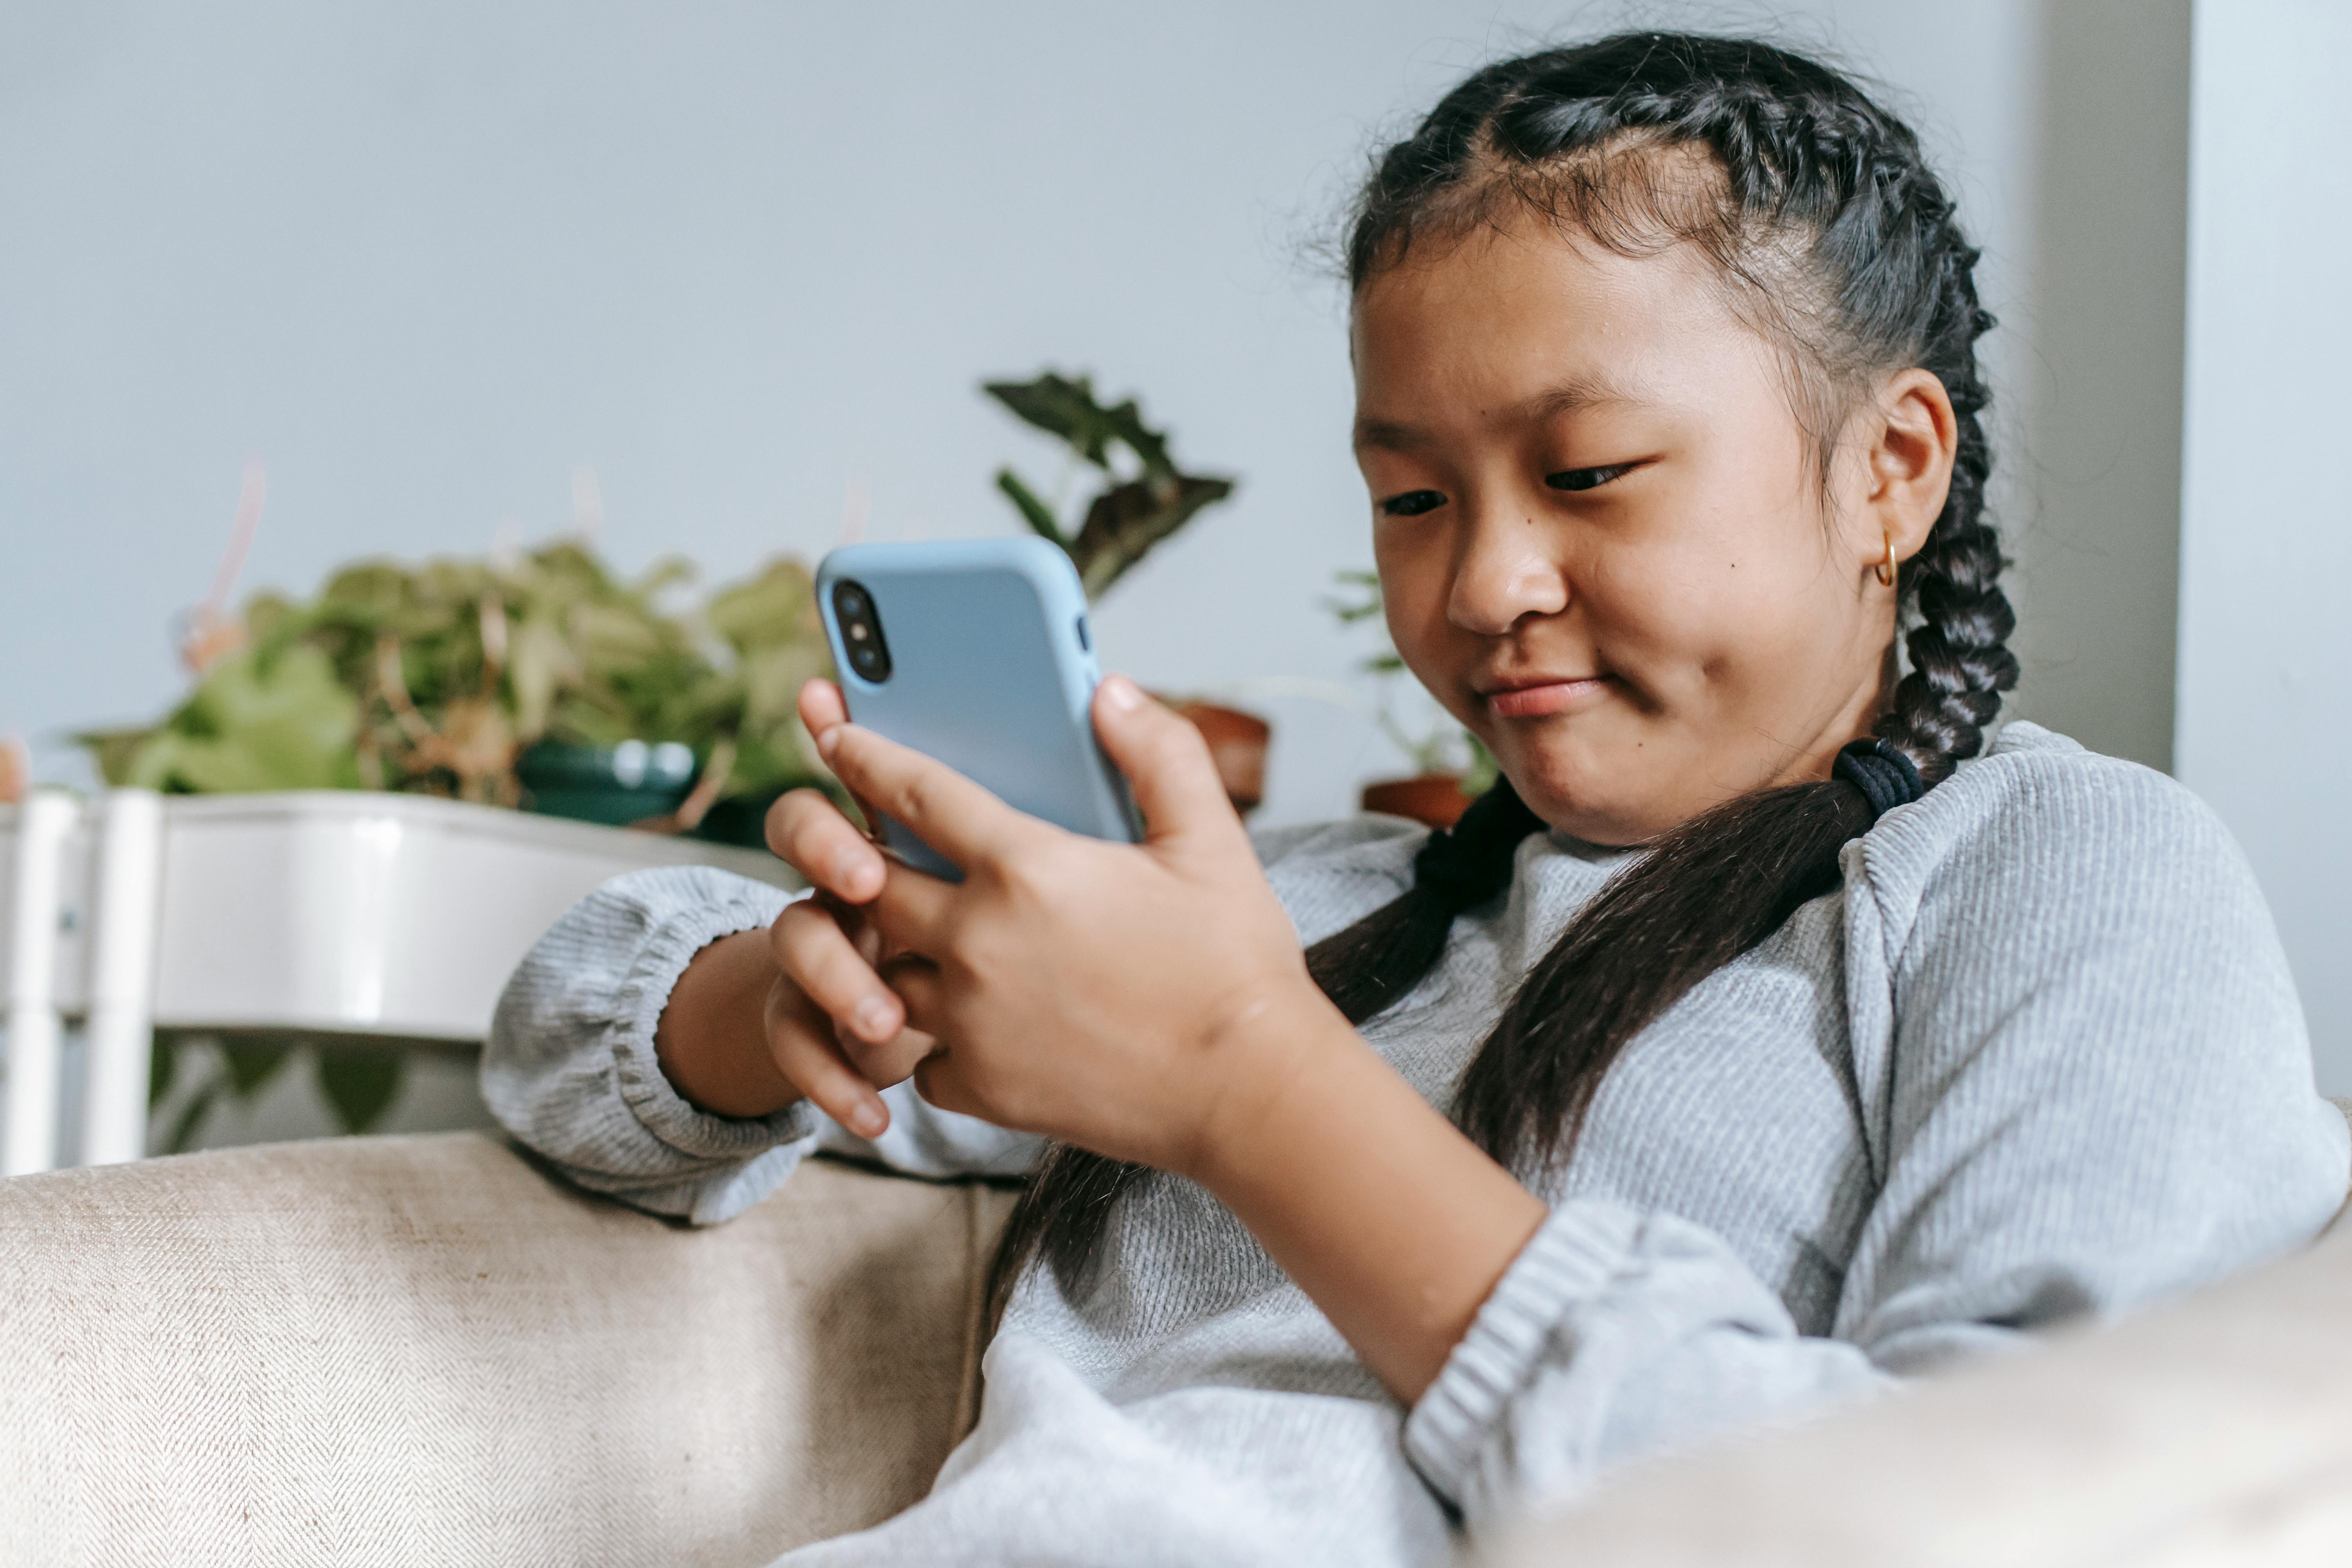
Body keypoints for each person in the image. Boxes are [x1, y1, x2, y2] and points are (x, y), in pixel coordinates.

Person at [484, 32, 2350, 1565]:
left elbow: (2031, 1510)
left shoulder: (2054, 874)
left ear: (1892, 471)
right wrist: (783, 1000)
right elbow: (568, 1030)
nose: (1481, 591)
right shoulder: (1315, 908)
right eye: (1413, 497)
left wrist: (1244, 1088)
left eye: (1594, 471)